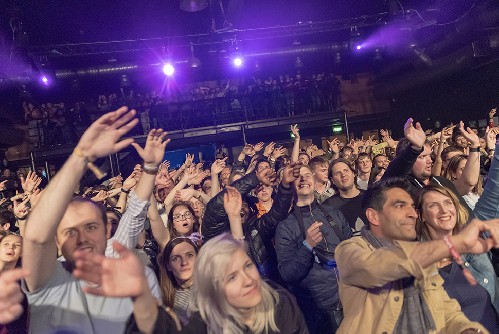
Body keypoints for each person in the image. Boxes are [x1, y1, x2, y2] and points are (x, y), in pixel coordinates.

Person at [22, 107, 163, 334]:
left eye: (90, 227)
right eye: (69, 231)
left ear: (107, 230)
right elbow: (36, 237)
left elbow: (135, 213)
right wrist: (82, 156)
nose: (81, 238)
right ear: (56, 240)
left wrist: (150, 169)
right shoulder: (47, 278)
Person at [335, 177, 491, 333]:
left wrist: (467, 330)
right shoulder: (351, 250)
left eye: (411, 207)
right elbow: (379, 267)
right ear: (374, 216)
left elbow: (446, 311)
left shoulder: (418, 256)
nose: (412, 214)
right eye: (400, 206)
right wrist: (457, 243)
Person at [73, 234, 309, 334]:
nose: (248, 280)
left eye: (247, 266)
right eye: (232, 277)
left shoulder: (282, 302)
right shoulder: (204, 324)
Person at [275, 164, 352, 334]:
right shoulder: (286, 227)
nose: (303, 179)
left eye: (307, 175)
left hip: (351, 300)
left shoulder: (334, 213)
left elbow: (351, 248)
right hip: (320, 311)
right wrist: (307, 246)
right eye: (298, 177)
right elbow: (288, 273)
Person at [416, 184, 499, 332]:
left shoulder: (474, 242)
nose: (444, 210)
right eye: (433, 205)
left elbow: (494, 189)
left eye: (448, 203)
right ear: (421, 215)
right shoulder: (418, 264)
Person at [202, 161, 298, 282]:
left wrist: (285, 186)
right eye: (235, 203)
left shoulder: (257, 229)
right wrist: (255, 178)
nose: (240, 208)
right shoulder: (216, 235)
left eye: (245, 205)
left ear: (251, 209)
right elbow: (214, 207)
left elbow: (277, 214)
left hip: (267, 290)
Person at [383, 118, 473, 213]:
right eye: (422, 157)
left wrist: (475, 146)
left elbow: (467, 213)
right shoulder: (401, 188)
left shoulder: (442, 182)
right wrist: (414, 149)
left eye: (429, 156)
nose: (429, 161)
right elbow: (391, 177)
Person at [157, 237, 199, 325]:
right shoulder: (164, 296)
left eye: (189, 255)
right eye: (175, 258)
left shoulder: (211, 291)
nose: (184, 262)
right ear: (168, 265)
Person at [325, 158, 367, 233]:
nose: (343, 175)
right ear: (332, 180)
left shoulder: (371, 197)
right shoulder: (328, 207)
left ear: (354, 173)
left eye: (346, 170)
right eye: (337, 173)